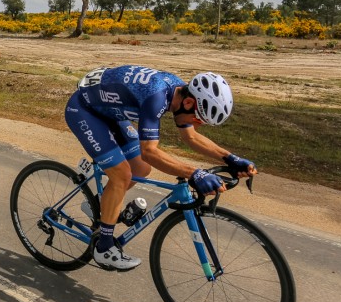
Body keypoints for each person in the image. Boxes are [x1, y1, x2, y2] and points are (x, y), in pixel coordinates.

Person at [65, 66, 256, 272]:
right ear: (189, 102)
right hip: (84, 110)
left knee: (141, 167)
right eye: (199, 120)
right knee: (122, 174)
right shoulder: (156, 96)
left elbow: (189, 137)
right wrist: (194, 173)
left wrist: (230, 158)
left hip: (111, 111)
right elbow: (150, 151)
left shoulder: (180, 95)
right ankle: (104, 249)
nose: (197, 126)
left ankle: (102, 208)